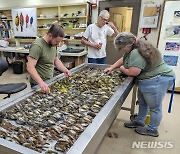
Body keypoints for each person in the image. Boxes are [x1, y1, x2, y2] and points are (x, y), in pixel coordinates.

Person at [104, 32, 175, 137]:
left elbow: (133, 72)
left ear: (128, 45)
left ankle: (152, 129)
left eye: (120, 48)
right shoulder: (133, 48)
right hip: (148, 80)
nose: (120, 51)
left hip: (157, 79)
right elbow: (123, 59)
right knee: (143, 102)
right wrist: (112, 67)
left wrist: (122, 69)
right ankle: (139, 121)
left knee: (154, 107)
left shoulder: (136, 52)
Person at [27, 24, 72, 94]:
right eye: (57, 41)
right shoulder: (37, 46)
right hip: (38, 83)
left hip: (49, 80)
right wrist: (41, 83)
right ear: (50, 35)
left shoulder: (53, 45)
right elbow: (30, 67)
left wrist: (65, 70)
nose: (58, 44)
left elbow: (55, 60)